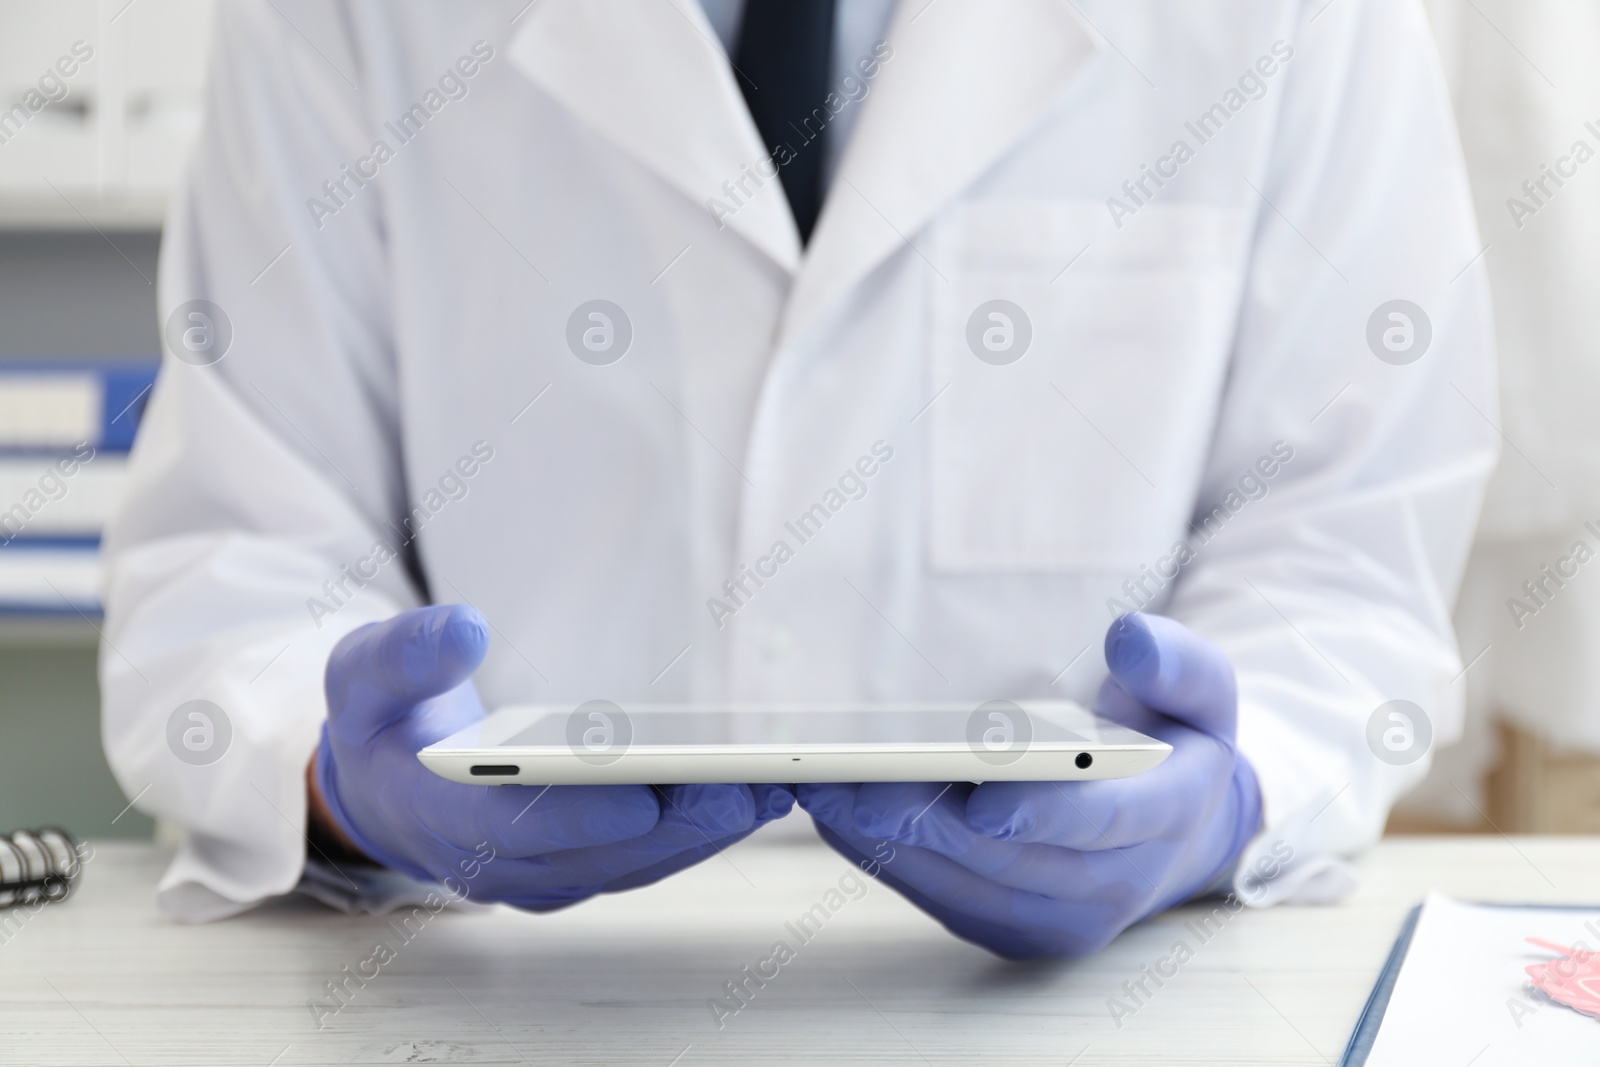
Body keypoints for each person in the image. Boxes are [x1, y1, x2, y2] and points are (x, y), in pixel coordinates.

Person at [102, 0, 1496, 959]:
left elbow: (1344, 545)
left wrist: (1229, 792)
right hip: (495, 997)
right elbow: (241, 551)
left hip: (1077, 1017)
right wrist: (347, 779)